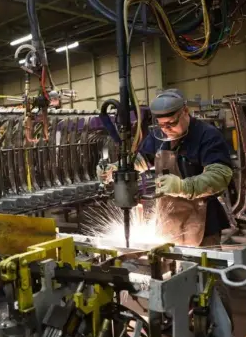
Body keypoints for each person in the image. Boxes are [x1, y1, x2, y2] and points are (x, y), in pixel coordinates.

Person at [99, 89, 233, 247]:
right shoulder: (158, 136)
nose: (166, 129)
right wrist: (117, 169)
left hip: (202, 223)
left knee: (203, 268)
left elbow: (220, 176)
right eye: (162, 125)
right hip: (168, 220)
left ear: (185, 111)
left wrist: (183, 186)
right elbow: (142, 159)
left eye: (171, 123)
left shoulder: (207, 135)